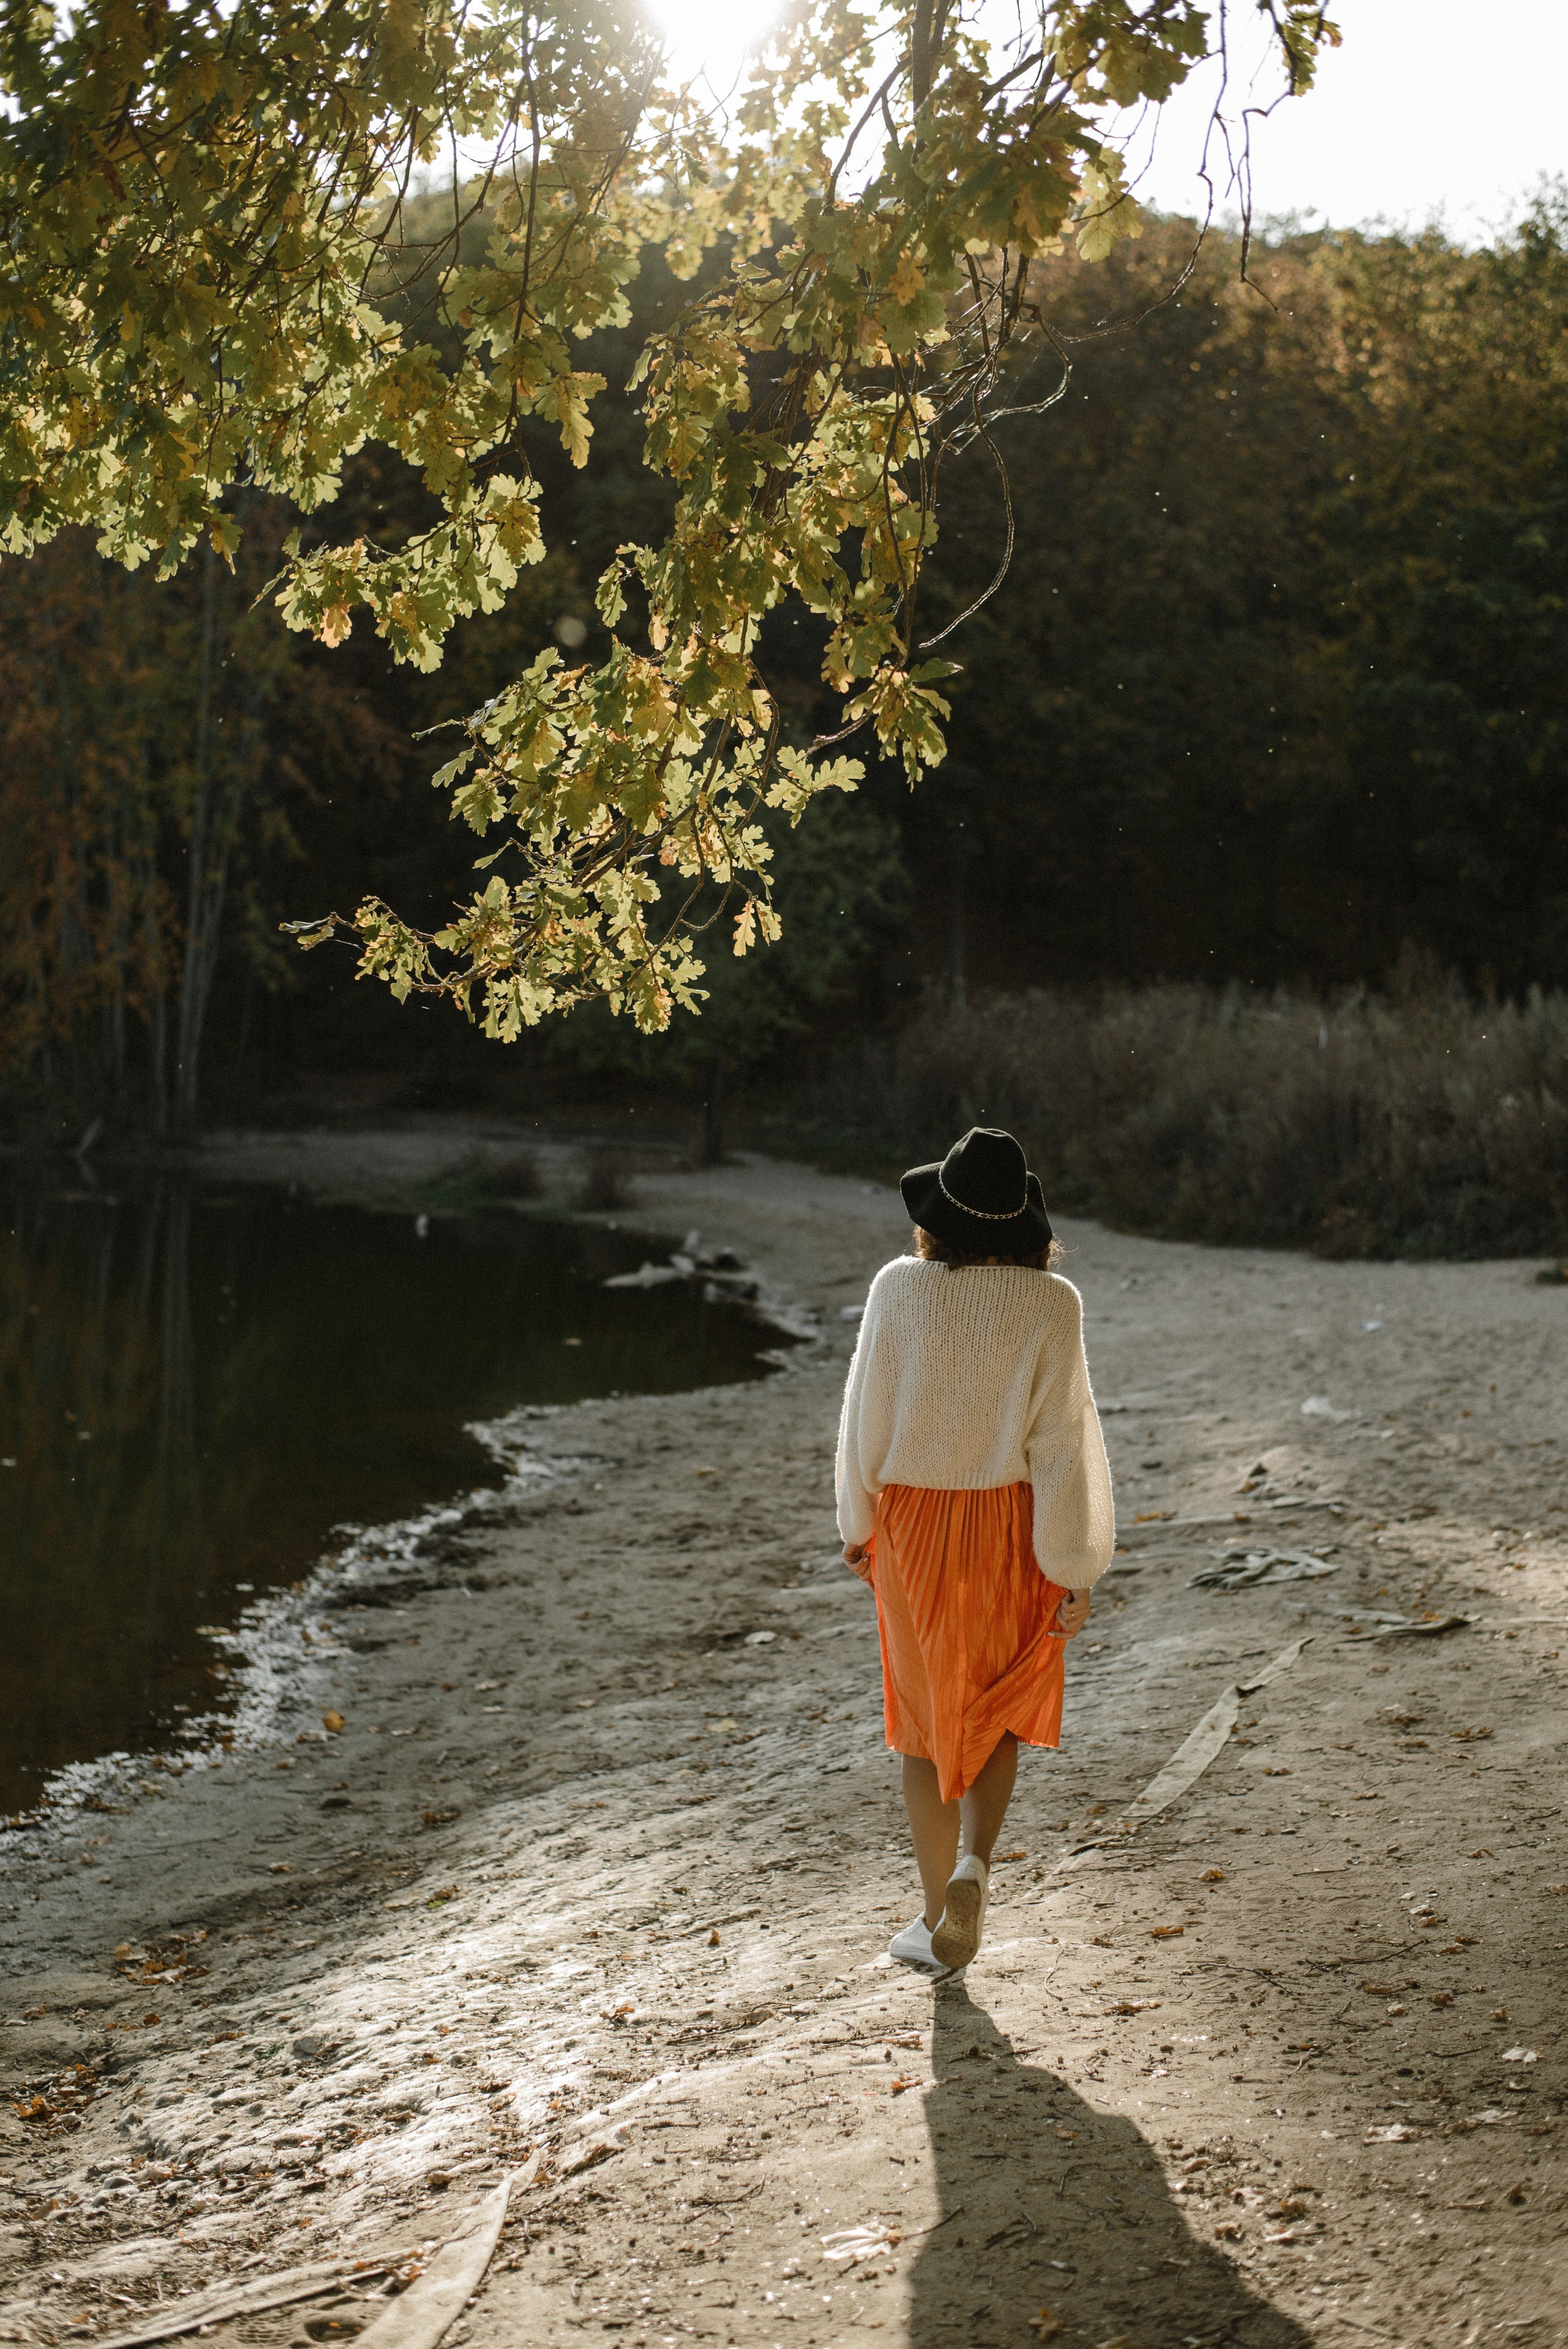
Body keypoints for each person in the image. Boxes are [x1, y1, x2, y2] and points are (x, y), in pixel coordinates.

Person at [835, 1125, 1114, 1972]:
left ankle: (933, 1921)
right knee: (993, 1709)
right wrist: (1075, 1566)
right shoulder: (1052, 1304)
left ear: (936, 1218)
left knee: (922, 1729)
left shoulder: (897, 1289)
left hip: (916, 1526)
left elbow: (864, 1415)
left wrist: (858, 1523)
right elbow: (1064, 1443)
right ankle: (974, 1865)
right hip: (1009, 1525)